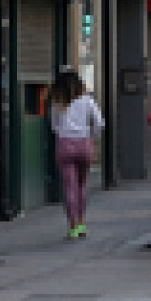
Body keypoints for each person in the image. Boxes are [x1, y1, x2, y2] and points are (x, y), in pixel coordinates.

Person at [49, 70, 105, 240]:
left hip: (65, 144)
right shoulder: (87, 100)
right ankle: (81, 223)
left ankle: (72, 226)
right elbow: (99, 123)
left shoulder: (57, 102)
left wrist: (64, 132)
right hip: (84, 143)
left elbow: (54, 126)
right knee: (82, 185)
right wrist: (91, 138)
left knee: (69, 187)